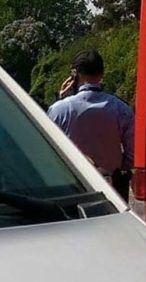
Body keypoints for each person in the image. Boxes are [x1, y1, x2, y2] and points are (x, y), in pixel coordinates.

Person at [47, 49, 134, 195]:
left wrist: (61, 99)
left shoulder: (59, 109)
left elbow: (48, 150)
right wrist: (115, 167)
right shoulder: (122, 109)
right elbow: (132, 155)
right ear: (102, 73)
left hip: (71, 186)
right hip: (112, 186)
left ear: (75, 74)